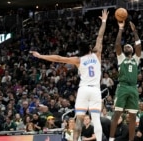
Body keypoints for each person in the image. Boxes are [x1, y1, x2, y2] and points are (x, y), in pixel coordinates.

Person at [30, 9, 109, 141]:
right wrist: (104, 21)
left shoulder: (78, 60)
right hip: (95, 90)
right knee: (96, 119)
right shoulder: (97, 55)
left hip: (83, 89)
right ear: (90, 49)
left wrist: (40, 56)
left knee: (78, 121)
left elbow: (58, 58)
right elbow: (100, 36)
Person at [109, 20, 142, 141]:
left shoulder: (136, 59)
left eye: (129, 46)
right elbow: (117, 44)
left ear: (132, 50)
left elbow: (139, 45)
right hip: (122, 87)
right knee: (117, 113)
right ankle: (111, 139)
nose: (126, 46)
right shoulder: (121, 57)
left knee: (132, 116)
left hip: (133, 87)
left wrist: (135, 32)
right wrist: (121, 29)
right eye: (125, 46)